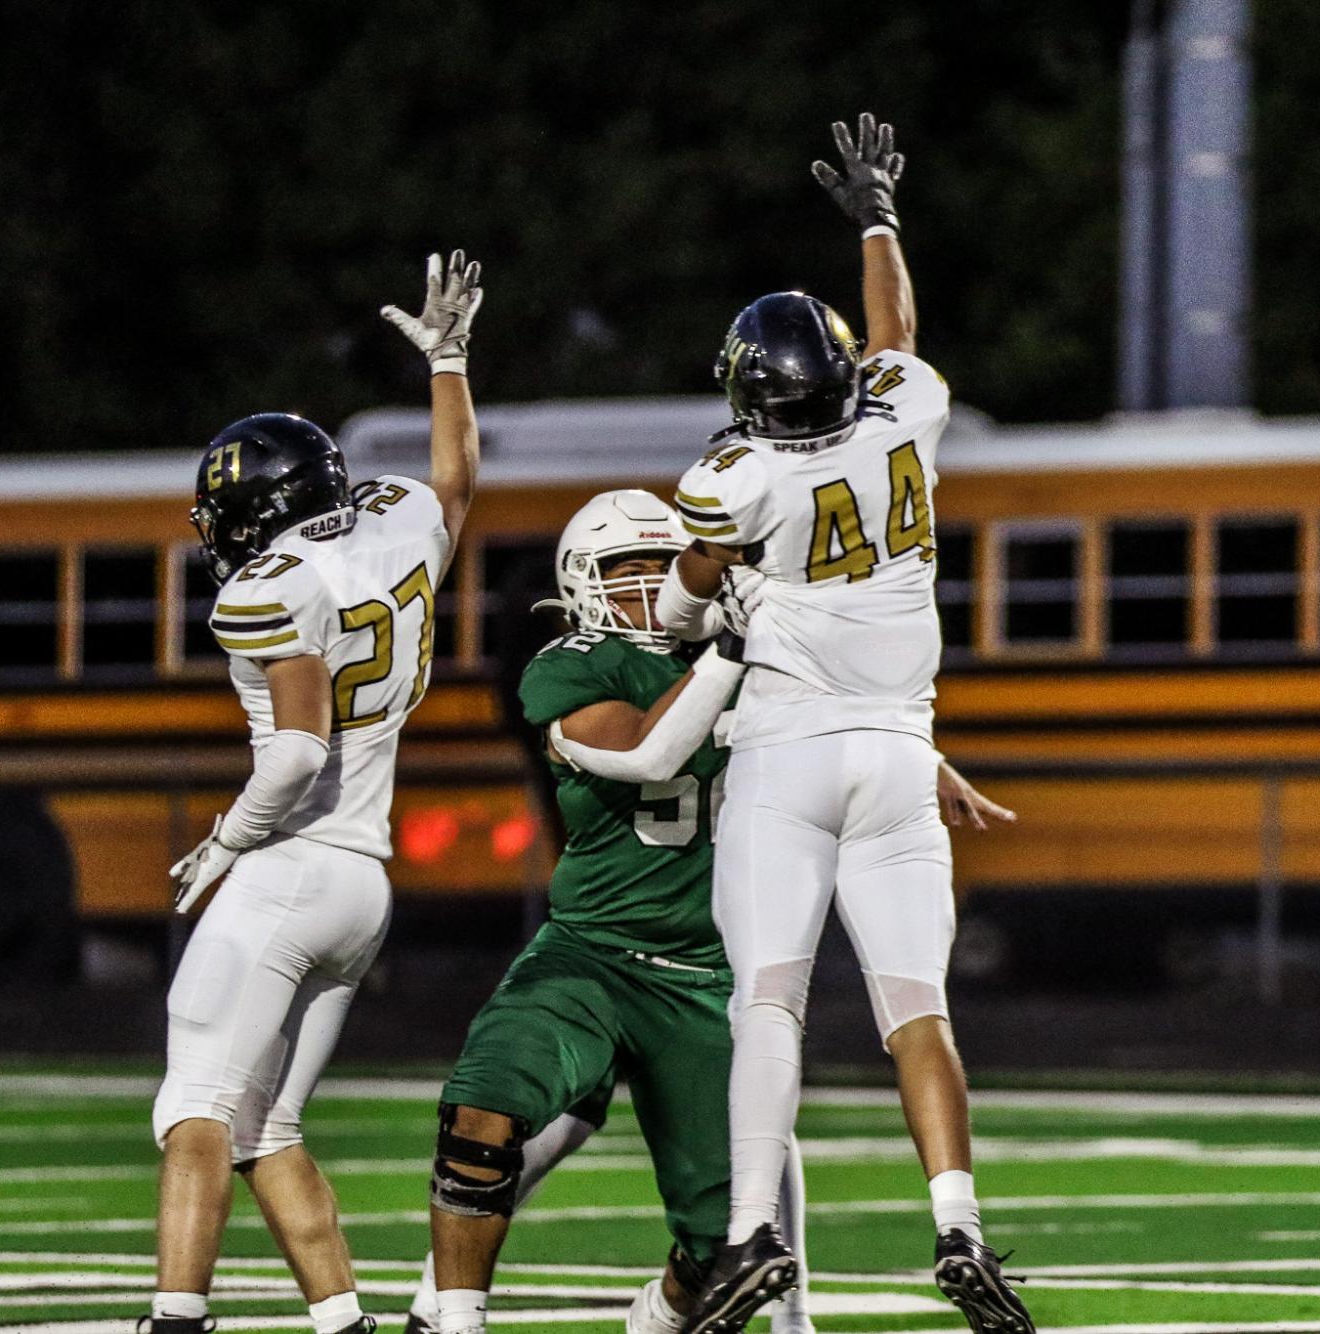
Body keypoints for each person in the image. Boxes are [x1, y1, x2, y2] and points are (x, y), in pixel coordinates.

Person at [409, 486, 1014, 1334]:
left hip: (704, 979)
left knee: (719, 1253)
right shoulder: (573, 664)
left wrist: (917, 756)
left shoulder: (764, 662)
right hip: (590, 955)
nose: (653, 584)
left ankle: (657, 1319)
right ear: (583, 582)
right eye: (628, 569)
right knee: (482, 1116)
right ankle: (448, 1320)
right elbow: (644, 749)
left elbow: (843, 725)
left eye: (665, 564)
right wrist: (734, 650)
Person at [654, 115, 1034, 1334]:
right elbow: (900, 338)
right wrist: (880, 219)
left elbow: (681, 602)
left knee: (768, 1000)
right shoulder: (905, 413)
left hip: (790, 753)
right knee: (918, 1009)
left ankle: (754, 1234)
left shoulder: (739, 475)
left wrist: (722, 588)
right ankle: (960, 1225)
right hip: (901, 756)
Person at [143, 250, 484, 1334]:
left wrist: (224, 841)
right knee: (263, 1123)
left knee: (192, 1104)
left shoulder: (270, 585)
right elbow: (458, 478)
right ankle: (344, 1322)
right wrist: (450, 365)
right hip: (365, 879)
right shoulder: (394, 533)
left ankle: (177, 1317)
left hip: (292, 862)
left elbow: (294, 754)